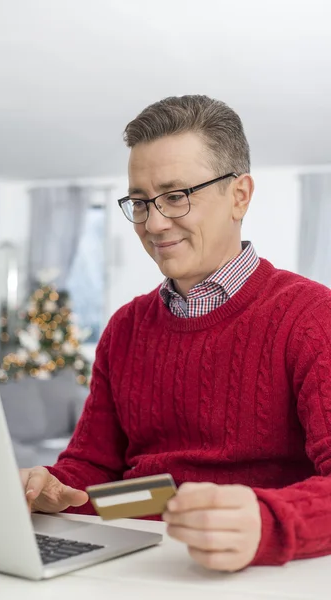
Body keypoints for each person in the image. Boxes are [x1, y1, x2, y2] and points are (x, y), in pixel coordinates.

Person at [21, 95, 331, 572]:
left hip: (258, 569)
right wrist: (51, 489)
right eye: (140, 202)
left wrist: (270, 523)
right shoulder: (126, 328)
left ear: (240, 195)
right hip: (135, 559)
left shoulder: (312, 317)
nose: (154, 223)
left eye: (175, 195)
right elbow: (98, 476)